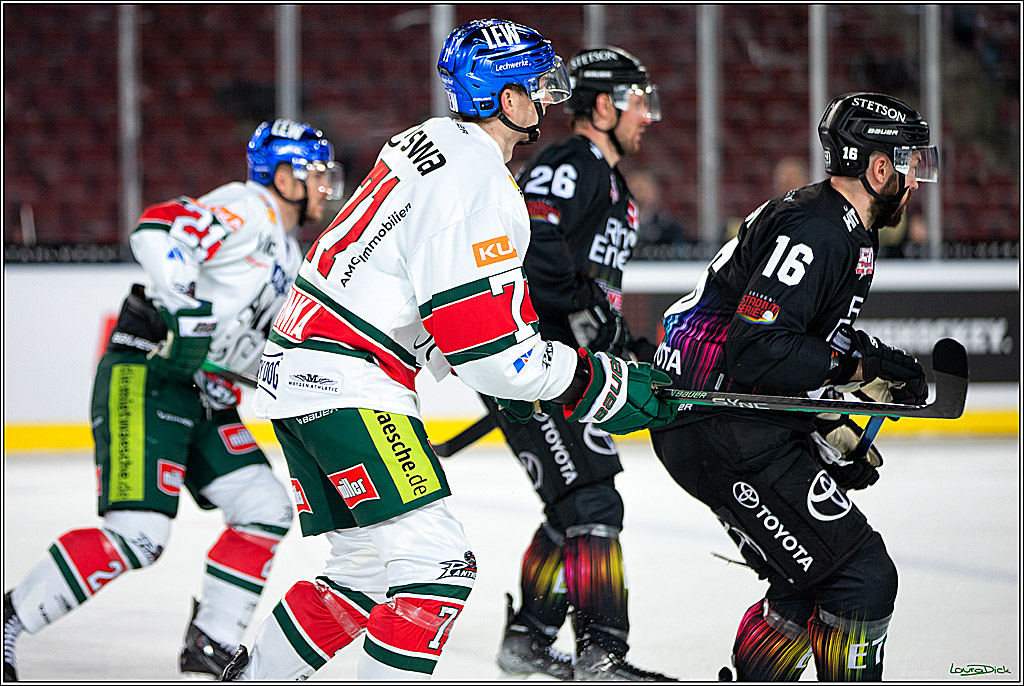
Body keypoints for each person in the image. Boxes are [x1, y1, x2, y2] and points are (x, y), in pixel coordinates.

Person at [217, 19, 679, 682]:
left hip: (303, 375)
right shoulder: (479, 183)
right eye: (535, 86)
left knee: (364, 575)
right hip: (349, 384)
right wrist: (595, 383)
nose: (547, 99)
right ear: (504, 98)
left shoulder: (427, 142)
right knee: (438, 572)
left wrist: (518, 382)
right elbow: (492, 350)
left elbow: (429, 304)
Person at [2, 118, 343, 681]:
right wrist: (185, 304)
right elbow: (157, 230)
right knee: (139, 536)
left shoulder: (285, 248)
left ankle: (212, 641)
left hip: (205, 396)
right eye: (313, 173)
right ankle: (10, 617)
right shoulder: (246, 207)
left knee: (264, 507)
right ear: (282, 176)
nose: (325, 185)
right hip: (149, 374)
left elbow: (256, 347)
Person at [648, 92, 938, 681]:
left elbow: (790, 351)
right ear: (878, 168)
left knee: (808, 578)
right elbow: (758, 349)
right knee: (860, 574)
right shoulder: (820, 229)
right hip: (718, 422)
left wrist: (826, 425)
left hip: (722, 420)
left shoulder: (844, 227)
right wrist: (863, 367)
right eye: (910, 164)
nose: (916, 182)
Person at [487, 46, 674, 681]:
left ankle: (529, 642)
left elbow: (591, 289)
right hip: (533, 361)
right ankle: (601, 654)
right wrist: (580, 312)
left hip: (566, 364)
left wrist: (618, 338)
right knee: (592, 502)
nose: (648, 116)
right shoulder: (573, 159)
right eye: (638, 101)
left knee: (574, 506)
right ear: (602, 105)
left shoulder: (610, 178)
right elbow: (530, 237)